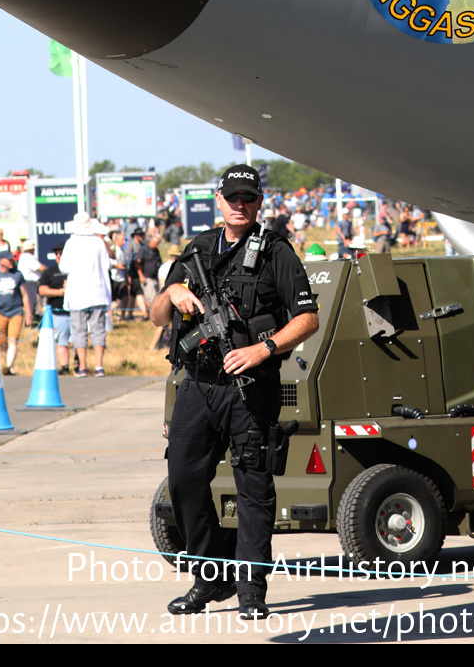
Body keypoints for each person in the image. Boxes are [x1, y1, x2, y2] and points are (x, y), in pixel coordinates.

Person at [151, 165, 319, 619]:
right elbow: (156, 316)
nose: (239, 205)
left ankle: (251, 592)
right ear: (218, 200)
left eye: (247, 197)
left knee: (253, 489)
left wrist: (264, 350)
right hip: (200, 383)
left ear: (259, 201)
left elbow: (307, 319)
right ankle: (211, 576)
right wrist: (176, 290)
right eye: (231, 197)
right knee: (183, 480)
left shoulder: (276, 253)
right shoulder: (197, 249)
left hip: (251, 387)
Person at [58, 214, 113, 376]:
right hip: (97, 291)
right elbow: (107, 265)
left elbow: (64, 268)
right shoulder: (98, 242)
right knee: (98, 330)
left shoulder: (71, 243)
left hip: (78, 293)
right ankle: (99, 365)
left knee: (79, 330)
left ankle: (82, 366)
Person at [0, 249, 32, 374]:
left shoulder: (17, 275)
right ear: (1, 261)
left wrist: (29, 313)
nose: (12, 261)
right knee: (2, 343)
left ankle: (8, 366)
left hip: (16, 311)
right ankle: (9, 365)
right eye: (9, 259)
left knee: (13, 340)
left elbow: (25, 295)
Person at [37, 242, 71, 374]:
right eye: (56, 253)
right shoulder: (49, 272)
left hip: (74, 312)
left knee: (78, 341)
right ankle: (64, 368)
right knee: (61, 341)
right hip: (57, 312)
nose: (58, 256)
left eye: (61, 253)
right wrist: (59, 292)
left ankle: (79, 365)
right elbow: (42, 290)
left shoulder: (74, 270)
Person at [16, 240, 43, 321]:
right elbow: (40, 267)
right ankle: (29, 320)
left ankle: (32, 318)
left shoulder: (23, 256)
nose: (34, 250)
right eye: (33, 248)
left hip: (28, 282)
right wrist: (47, 270)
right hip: (29, 283)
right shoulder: (28, 257)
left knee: (33, 301)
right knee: (30, 302)